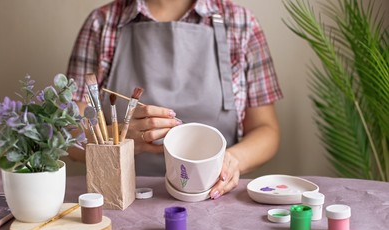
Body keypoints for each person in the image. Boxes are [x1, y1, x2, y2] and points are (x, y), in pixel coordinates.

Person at [67, 0, 283, 199]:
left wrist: (234, 160)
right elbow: (69, 135)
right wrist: (116, 142)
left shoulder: (241, 23)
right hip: (122, 197)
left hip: (216, 198)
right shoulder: (102, 24)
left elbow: (265, 129)